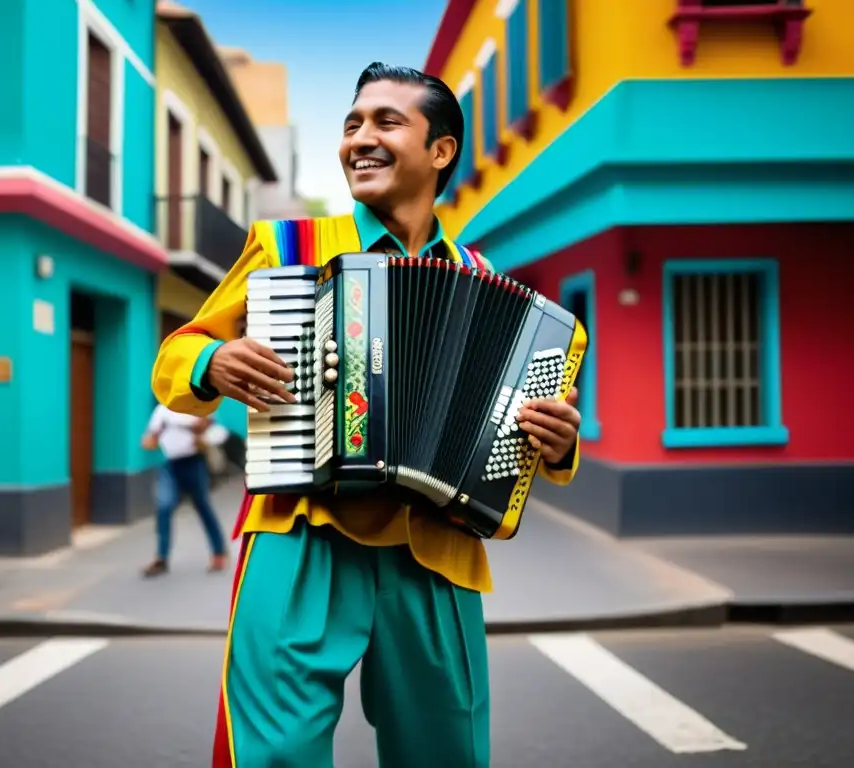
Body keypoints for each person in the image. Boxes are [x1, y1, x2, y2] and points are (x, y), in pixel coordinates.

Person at [152, 62, 583, 768]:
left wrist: (558, 442)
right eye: (352, 124)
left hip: (435, 554)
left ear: (441, 151)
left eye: (386, 121)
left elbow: (529, 441)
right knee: (272, 756)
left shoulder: (483, 281)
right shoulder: (288, 249)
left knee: (446, 755)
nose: (360, 138)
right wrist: (210, 364)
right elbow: (176, 359)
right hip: (301, 537)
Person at [140, 403, 229, 576]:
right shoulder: (162, 411)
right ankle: (161, 558)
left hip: (193, 463)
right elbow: (150, 439)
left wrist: (200, 434)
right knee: (164, 507)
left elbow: (216, 431)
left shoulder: (198, 405)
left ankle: (219, 552)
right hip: (171, 465)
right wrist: (152, 440)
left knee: (203, 507)